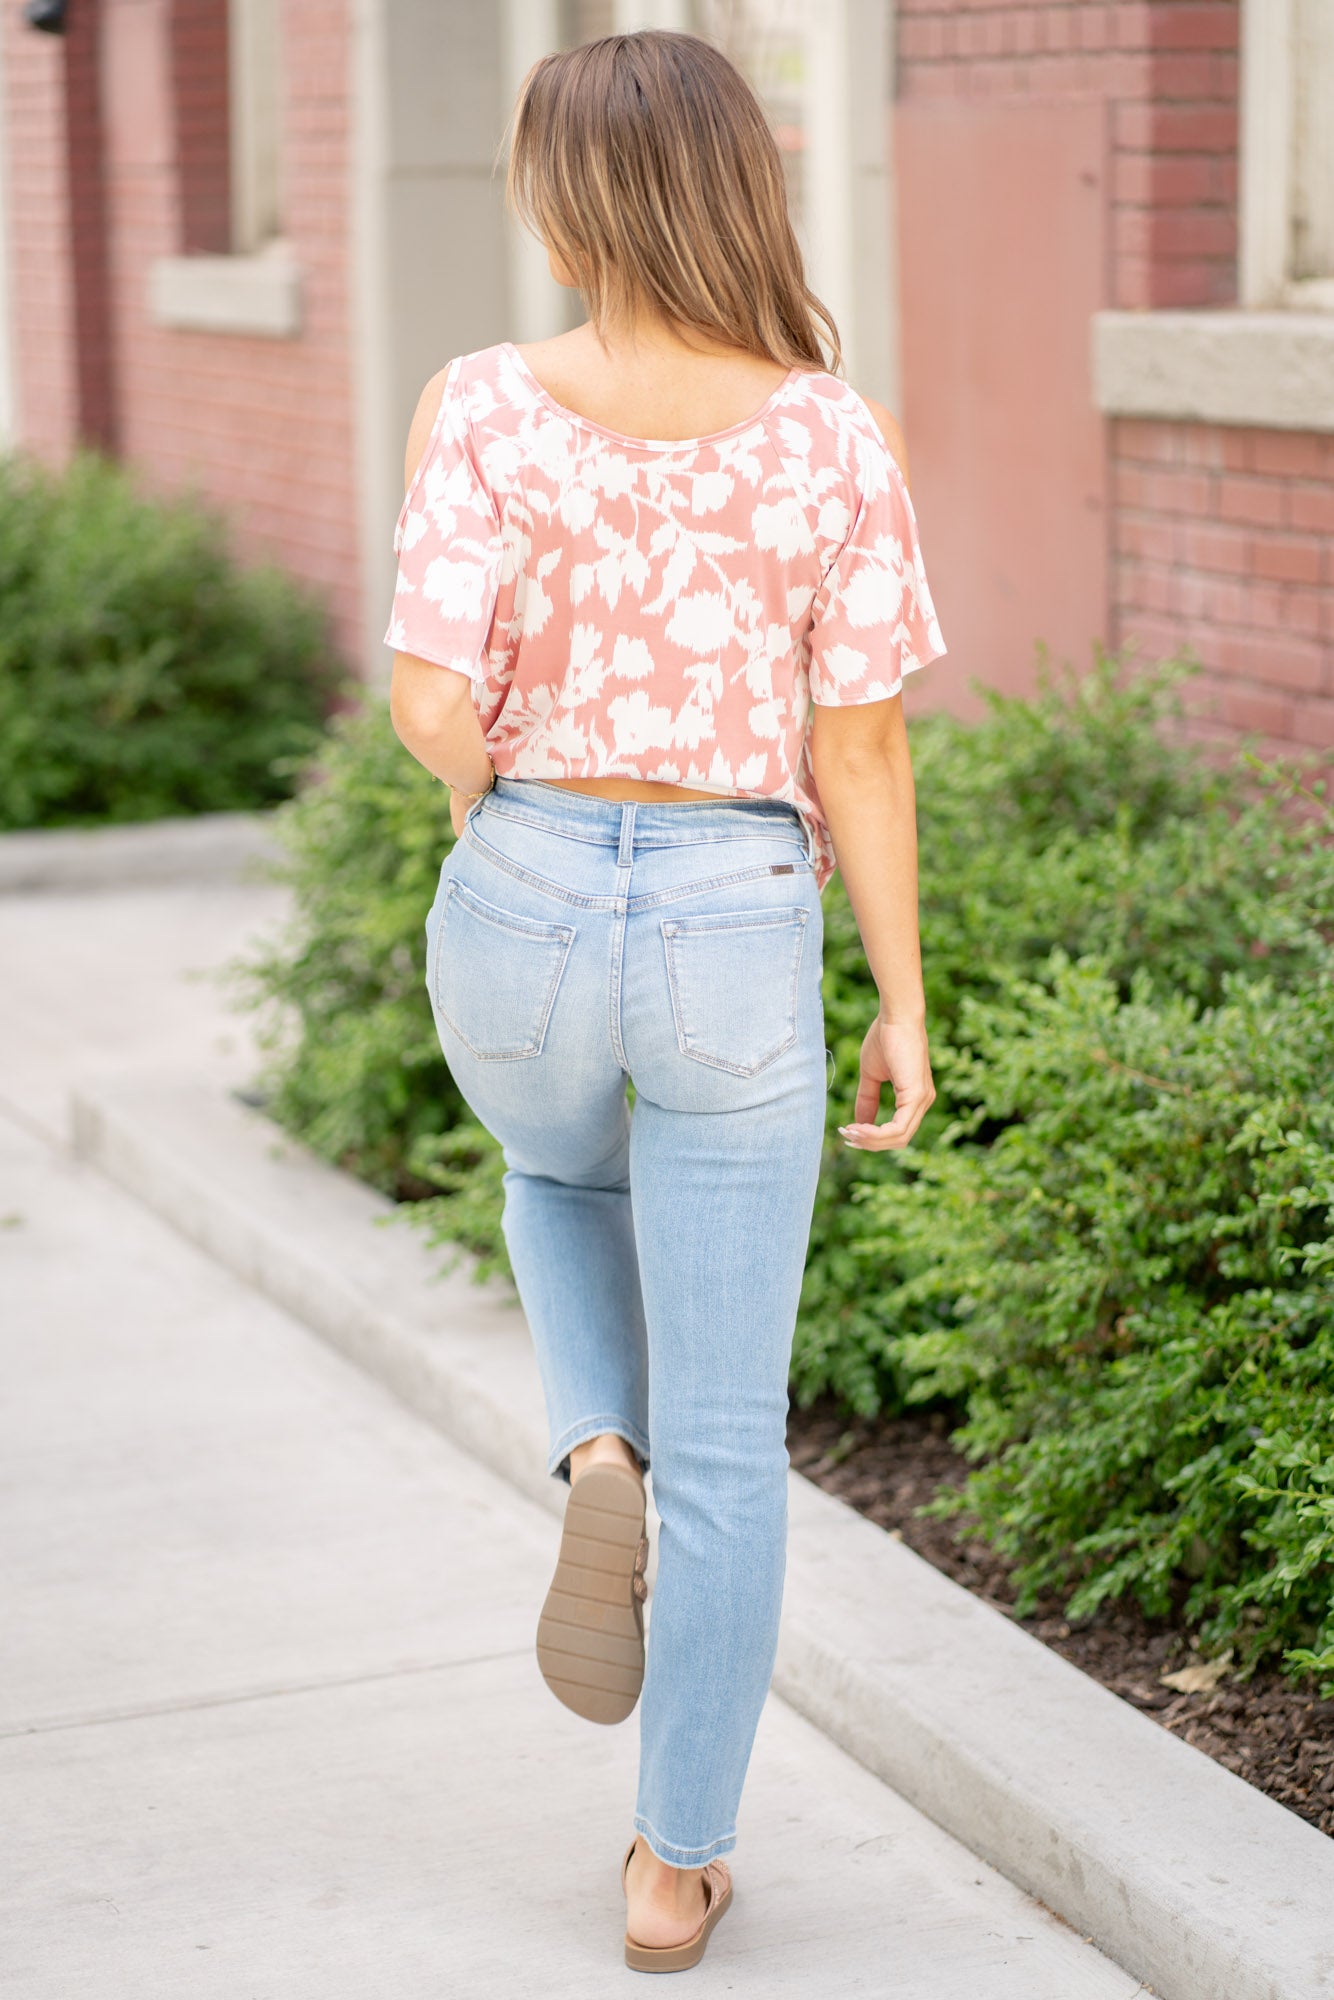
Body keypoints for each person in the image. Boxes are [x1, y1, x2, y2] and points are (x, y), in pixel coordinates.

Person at [384, 27, 946, 1974]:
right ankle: (671, 1866)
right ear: (735, 186)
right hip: (732, 912)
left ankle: (588, 1451)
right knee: (735, 1439)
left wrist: (503, 817)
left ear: (568, 203)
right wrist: (900, 998)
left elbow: (425, 701)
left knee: (554, 1175)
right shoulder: (833, 435)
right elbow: (860, 748)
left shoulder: (476, 403)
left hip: (525, 882)